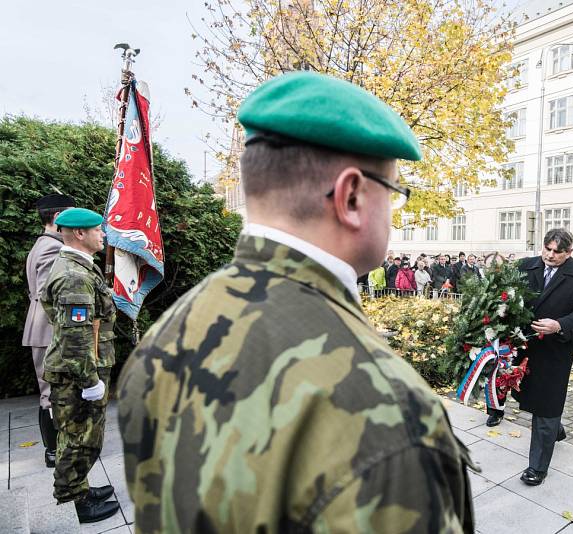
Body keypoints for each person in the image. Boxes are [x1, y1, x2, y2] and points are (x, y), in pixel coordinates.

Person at [117, 71, 473, 533]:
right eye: (395, 192)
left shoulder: (166, 333)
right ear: (350, 196)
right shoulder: (386, 411)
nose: (394, 212)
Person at [39, 207, 119, 523]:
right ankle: (77, 502)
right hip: (78, 372)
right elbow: (75, 337)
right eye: (99, 230)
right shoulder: (74, 275)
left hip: (78, 366)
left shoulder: (77, 267)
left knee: (81, 435)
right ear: (81, 234)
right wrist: (89, 381)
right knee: (78, 438)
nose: (104, 234)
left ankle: (80, 488)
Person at [507, 229, 573, 486]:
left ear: (569, 252)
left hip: (554, 351)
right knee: (525, 396)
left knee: (546, 406)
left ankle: (537, 467)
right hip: (521, 348)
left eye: (557, 252)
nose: (550, 255)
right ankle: (556, 428)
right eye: (547, 249)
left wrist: (559, 325)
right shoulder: (524, 267)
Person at [23, 193, 75, 468]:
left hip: (43, 327)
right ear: (57, 219)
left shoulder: (43, 244)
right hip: (49, 328)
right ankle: (55, 452)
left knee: (51, 391)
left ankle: (56, 450)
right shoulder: (51, 248)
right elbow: (48, 294)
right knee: (52, 394)